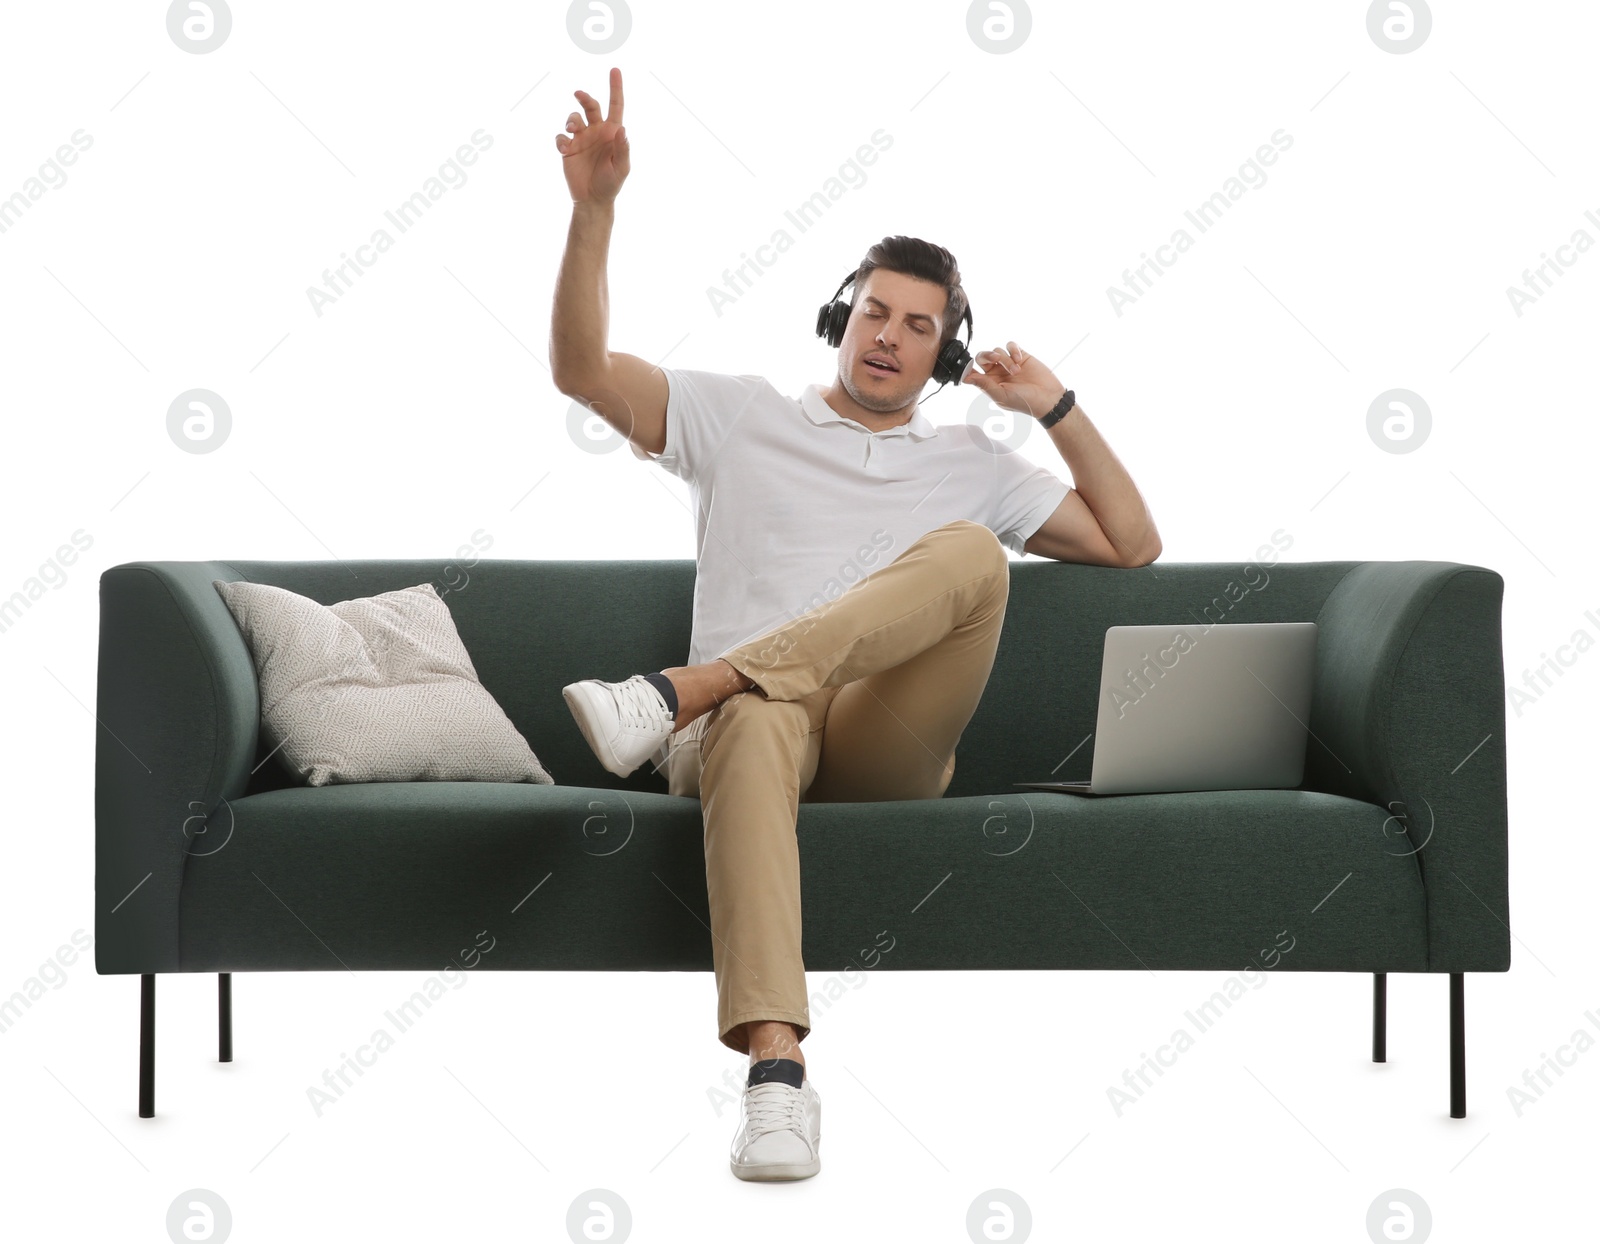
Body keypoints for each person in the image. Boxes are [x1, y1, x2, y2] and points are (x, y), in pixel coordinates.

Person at [548, 67, 1162, 1182]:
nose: (888, 334)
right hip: (744, 742)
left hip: (882, 738)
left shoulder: (976, 463)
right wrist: (595, 213)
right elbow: (582, 371)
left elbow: (1132, 543)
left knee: (974, 554)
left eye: (919, 325)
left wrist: (1054, 408)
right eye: (874, 310)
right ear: (842, 318)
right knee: (751, 716)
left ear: (947, 354)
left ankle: (684, 686)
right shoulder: (738, 418)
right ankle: (777, 1081)